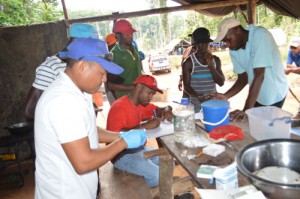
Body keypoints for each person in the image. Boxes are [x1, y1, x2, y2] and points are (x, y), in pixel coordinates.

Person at [34, 38, 147, 199]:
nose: (105, 80)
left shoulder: (77, 92)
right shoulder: (63, 101)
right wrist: (123, 143)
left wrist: (119, 136)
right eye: (102, 73)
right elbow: (84, 162)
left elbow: (87, 129)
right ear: (82, 66)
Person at [211, 17, 289, 121]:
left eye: (228, 40)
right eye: (224, 42)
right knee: (252, 125)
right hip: (258, 95)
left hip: (275, 94)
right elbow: (243, 78)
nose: (227, 44)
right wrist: (226, 96)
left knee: (265, 128)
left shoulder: (260, 35)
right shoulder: (234, 49)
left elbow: (259, 75)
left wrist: (247, 110)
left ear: (237, 30)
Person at [106, 74, 173, 187]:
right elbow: (115, 136)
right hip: (120, 153)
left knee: (168, 163)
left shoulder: (142, 104)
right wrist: (144, 126)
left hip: (138, 148)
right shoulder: (119, 107)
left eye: (153, 94)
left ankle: (158, 188)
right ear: (139, 87)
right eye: (149, 93)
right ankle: (141, 192)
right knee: (157, 174)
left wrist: (167, 110)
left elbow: (159, 110)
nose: (151, 97)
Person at [24, 23, 99, 121]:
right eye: (92, 45)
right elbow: (30, 112)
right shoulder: (50, 67)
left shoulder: (81, 64)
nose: (95, 50)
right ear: (78, 42)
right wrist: (67, 118)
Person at [182, 27, 225, 113]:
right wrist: (198, 96)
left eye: (206, 43)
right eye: (200, 44)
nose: (204, 47)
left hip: (213, 105)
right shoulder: (189, 63)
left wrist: (210, 66)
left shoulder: (215, 60)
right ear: (195, 44)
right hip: (196, 107)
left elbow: (221, 83)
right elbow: (186, 87)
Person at [107, 19, 142, 99]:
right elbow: (110, 85)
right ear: (118, 36)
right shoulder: (114, 55)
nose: (130, 36)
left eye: (131, 33)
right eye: (127, 34)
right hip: (126, 99)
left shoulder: (134, 48)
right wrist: (133, 87)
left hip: (140, 96)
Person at [285, 37, 300, 118]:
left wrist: (291, 69)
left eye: (295, 47)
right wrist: (295, 69)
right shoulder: (290, 52)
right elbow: (288, 65)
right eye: (291, 47)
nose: (293, 49)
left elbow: (289, 68)